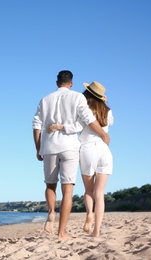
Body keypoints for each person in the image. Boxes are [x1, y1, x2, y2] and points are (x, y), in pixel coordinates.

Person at [32, 71, 110, 241]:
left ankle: (51, 212)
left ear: (56, 82)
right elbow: (88, 120)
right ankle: (62, 233)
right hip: (69, 148)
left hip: (49, 147)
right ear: (71, 83)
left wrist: (38, 147)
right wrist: (103, 135)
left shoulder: (45, 100)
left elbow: (36, 125)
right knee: (67, 190)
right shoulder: (77, 98)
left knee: (50, 185)